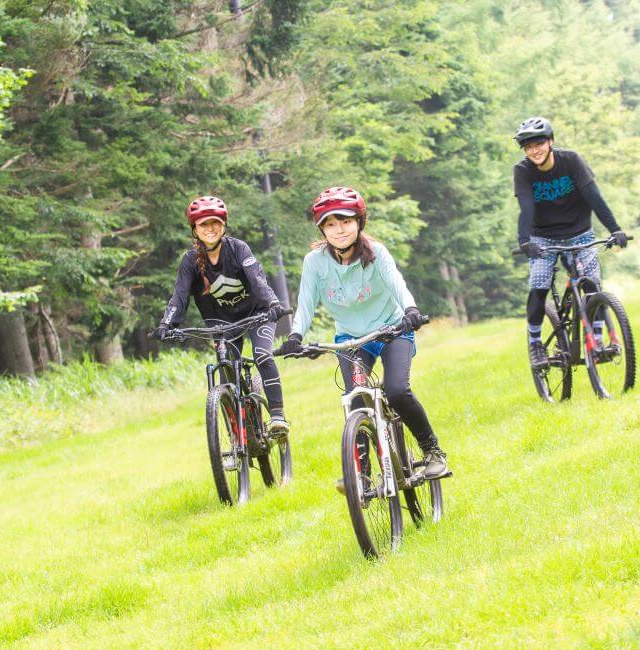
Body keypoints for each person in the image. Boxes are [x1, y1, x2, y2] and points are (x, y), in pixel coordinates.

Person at [276, 186, 450, 480]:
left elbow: (397, 283)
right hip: (352, 340)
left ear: (359, 222)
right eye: (331, 224)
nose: (339, 230)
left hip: (392, 330)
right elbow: (305, 303)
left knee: (397, 391)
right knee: (355, 398)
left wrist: (411, 310)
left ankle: (432, 451)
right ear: (322, 229)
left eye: (345, 221)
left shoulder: (376, 253)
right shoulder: (315, 262)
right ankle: (362, 476)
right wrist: (295, 337)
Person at [155, 195, 290, 434]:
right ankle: (238, 435)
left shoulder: (238, 249)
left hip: (256, 314)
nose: (210, 228)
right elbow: (180, 296)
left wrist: (273, 303)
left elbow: (257, 281)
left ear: (224, 224)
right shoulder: (190, 260)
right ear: (194, 229)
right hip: (222, 323)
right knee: (226, 368)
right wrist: (167, 324)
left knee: (262, 355)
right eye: (204, 224)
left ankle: (278, 416)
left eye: (215, 222)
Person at [513, 116, 628, 369]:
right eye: (528, 147)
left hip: (580, 233)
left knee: (592, 285)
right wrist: (525, 241)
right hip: (543, 238)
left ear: (551, 142)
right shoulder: (522, 171)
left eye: (539, 144)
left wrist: (615, 229)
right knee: (539, 286)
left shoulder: (571, 160)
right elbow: (526, 208)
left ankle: (597, 343)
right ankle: (535, 343)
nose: (534, 150)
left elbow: (594, 198)